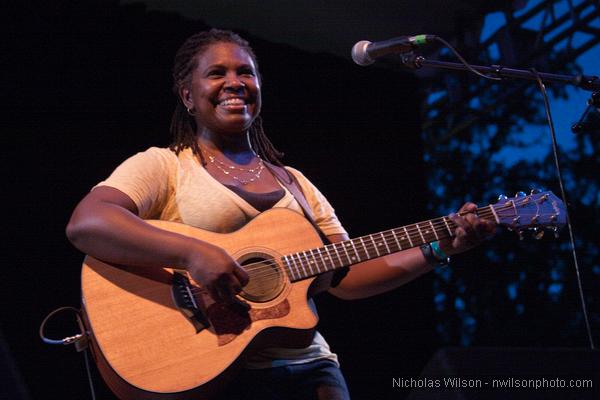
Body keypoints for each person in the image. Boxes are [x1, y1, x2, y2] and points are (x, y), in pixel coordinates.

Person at [66, 29, 495, 400]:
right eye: (217, 73)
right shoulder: (165, 166)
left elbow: (346, 274)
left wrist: (439, 248)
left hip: (309, 368)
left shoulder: (295, 183)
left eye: (245, 73)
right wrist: (193, 254)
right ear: (187, 95)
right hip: (212, 367)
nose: (235, 83)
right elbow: (89, 223)